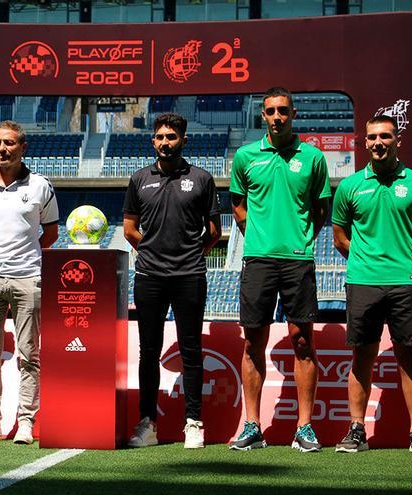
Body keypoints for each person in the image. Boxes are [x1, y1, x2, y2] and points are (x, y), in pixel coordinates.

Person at [228, 87, 331, 452]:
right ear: (263, 115)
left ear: (294, 113)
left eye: (283, 110)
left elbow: (321, 211)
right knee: (253, 340)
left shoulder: (314, 158)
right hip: (257, 259)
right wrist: (259, 236)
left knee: (303, 341)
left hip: (297, 260)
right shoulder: (245, 156)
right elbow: (238, 206)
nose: (277, 117)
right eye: (270, 111)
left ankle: (304, 428)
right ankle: (252, 425)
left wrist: (299, 239)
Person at [331, 115, 412, 455]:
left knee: (408, 356)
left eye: (386, 136)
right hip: (363, 281)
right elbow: (339, 238)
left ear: (397, 140)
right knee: (362, 356)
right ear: (365, 143)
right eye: (373, 137)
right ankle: (357, 429)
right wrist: (367, 259)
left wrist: (403, 261)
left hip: (405, 281)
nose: (379, 142)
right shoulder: (349, 187)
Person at [123, 113, 222, 449]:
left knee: (191, 351)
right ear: (153, 141)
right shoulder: (139, 179)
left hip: (189, 276)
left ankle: (193, 423)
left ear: (183, 140)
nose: (165, 142)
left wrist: (190, 255)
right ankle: (148, 424)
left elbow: (214, 232)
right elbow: (129, 229)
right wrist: (151, 251)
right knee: (148, 352)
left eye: (172, 137)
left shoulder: (201, 179)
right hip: (149, 276)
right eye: (160, 137)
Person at [0, 120, 59, 445]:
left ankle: (25, 422)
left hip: (28, 279)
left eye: (9, 143)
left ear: (23, 147)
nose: (2, 149)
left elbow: (50, 233)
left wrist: (22, 259)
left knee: (29, 354)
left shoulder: (40, 186)